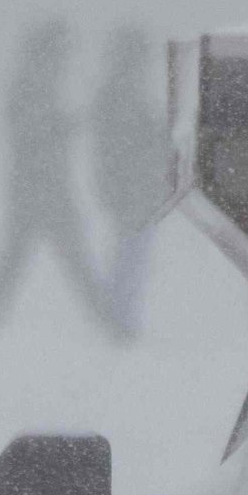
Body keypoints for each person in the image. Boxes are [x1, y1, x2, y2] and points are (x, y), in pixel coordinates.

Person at [0, 19, 97, 329]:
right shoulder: (30, 84)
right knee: (69, 256)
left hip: (39, 185)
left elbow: (36, 130)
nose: (64, 60)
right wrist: (67, 125)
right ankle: (107, 324)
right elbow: (30, 132)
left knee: (23, 255)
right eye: (60, 51)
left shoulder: (36, 82)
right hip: (39, 186)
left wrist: (66, 124)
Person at [83, 22, 171, 346]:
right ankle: (119, 320)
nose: (143, 65)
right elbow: (125, 142)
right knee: (130, 254)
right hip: (130, 187)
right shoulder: (117, 93)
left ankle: (119, 316)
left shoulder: (121, 92)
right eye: (139, 57)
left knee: (131, 252)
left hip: (135, 186)